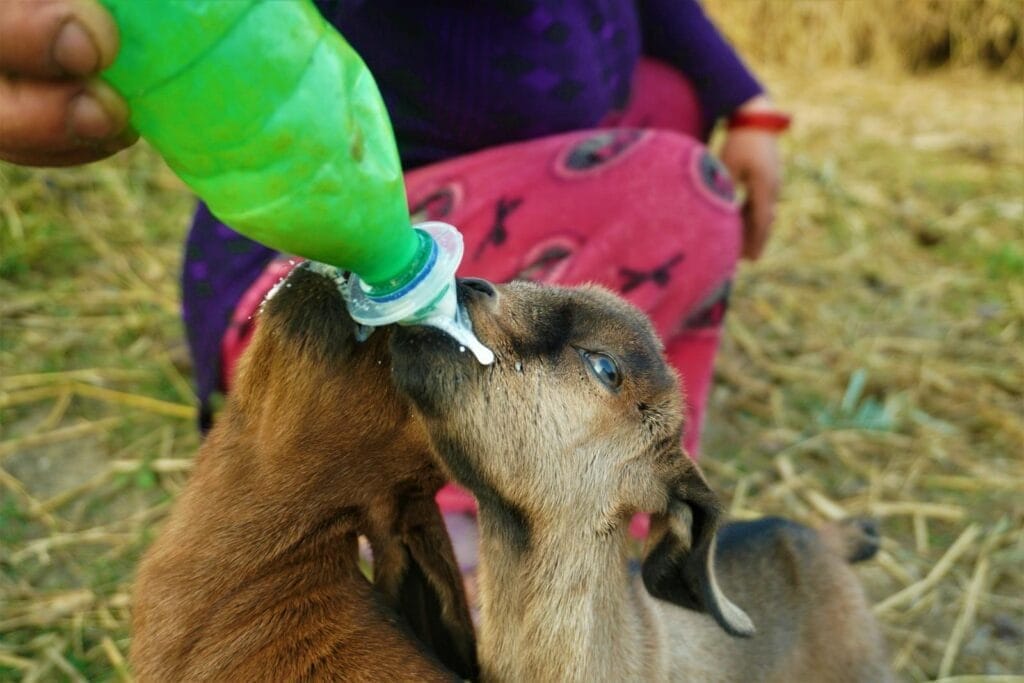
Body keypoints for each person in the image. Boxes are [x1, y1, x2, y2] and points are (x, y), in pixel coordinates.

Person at [1, 0, 786, 553]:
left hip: (447, 229)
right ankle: (446, 519)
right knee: (681, 196)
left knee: (671, 97)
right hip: (316, 292)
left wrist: (743, 99)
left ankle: (584, 477)